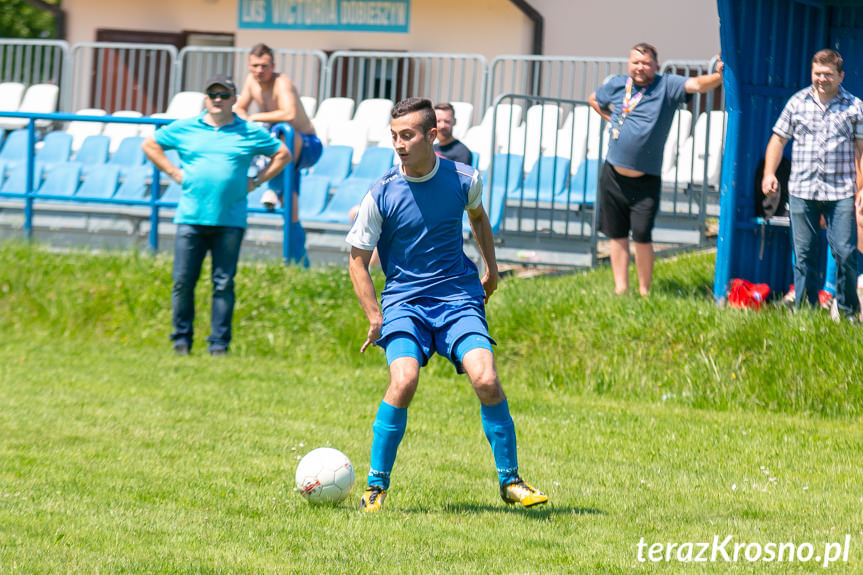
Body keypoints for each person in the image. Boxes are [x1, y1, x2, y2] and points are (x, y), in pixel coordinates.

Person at [346, 97, 547, 512]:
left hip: (457, 297)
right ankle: (375, 487)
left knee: (487, 378)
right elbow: (356, 262)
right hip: (405, 302)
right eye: (395, 136)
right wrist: (374, 316)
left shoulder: (463, 177)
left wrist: (491, 268)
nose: (399, 144)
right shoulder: (381, 193)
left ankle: (510, 481)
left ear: (432, 135)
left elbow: (478, 218)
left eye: (408, 135)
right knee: (403, 381)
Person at [142, 75, 291, 356]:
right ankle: (181, 341)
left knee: (223, 284)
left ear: (235, 99)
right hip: (190, 218)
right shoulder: (186, 127)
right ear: (206, 98)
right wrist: (175, 172)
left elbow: (282, 154)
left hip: (230, 221)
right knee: (183, 282)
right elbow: (151, 144)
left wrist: (257, 181)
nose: (218, 99)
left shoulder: (248, 131)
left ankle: (219, 345)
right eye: (213, 94)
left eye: (224, 95)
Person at [589, 43, 724, 295]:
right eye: (636, 62)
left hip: (645, 179)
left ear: (656, 65)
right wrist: (609, 117)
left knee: (641, 235)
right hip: (612, 175)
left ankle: (644, 292)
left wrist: (718, 76)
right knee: (616, 235)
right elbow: (594, 99)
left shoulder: (666, 85)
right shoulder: (618, 84)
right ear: (629, 64)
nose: (640, 67)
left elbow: (696, 85)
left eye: (646, 63)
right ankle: (621, 290)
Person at [762, 48, 863, 320]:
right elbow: (778, 140)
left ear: (841, 76)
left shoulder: (854, 106)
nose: (821, 79)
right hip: (802, 190)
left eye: (828, 74)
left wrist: (862, 188)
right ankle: (805, 314)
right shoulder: (797, 103)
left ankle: (848, 311)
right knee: (804, 255)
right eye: (817, 73)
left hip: (841, 191)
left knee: (844, 252)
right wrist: (769, 174)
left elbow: (861, 150)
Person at [234, 43, 322, 266]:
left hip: (307, 144)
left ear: (273, 66)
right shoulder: (251, 81)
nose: (259, 70)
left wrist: (254, 118)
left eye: (264, 66)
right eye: (254, 66)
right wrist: (247, 119)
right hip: (281, 148)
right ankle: (299, 261)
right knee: (290, 203)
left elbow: (290, 114)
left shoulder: (282, 83)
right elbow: (239, 108)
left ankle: (269, 187)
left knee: (281, 132)